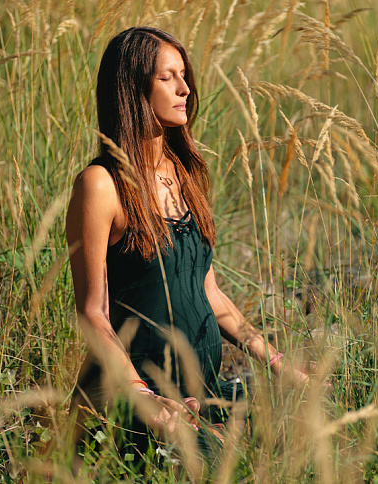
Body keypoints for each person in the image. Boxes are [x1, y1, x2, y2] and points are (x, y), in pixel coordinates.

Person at [65, 26, 309, 460]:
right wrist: (142, 395)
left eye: (185, 75)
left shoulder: (186, 174)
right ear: (133, 88)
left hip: (200, 391)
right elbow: (92, 313)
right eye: (168, 77)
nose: (185, 88)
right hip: (136, 400)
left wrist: (278, 363)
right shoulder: (100, 185)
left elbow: (210, 294)